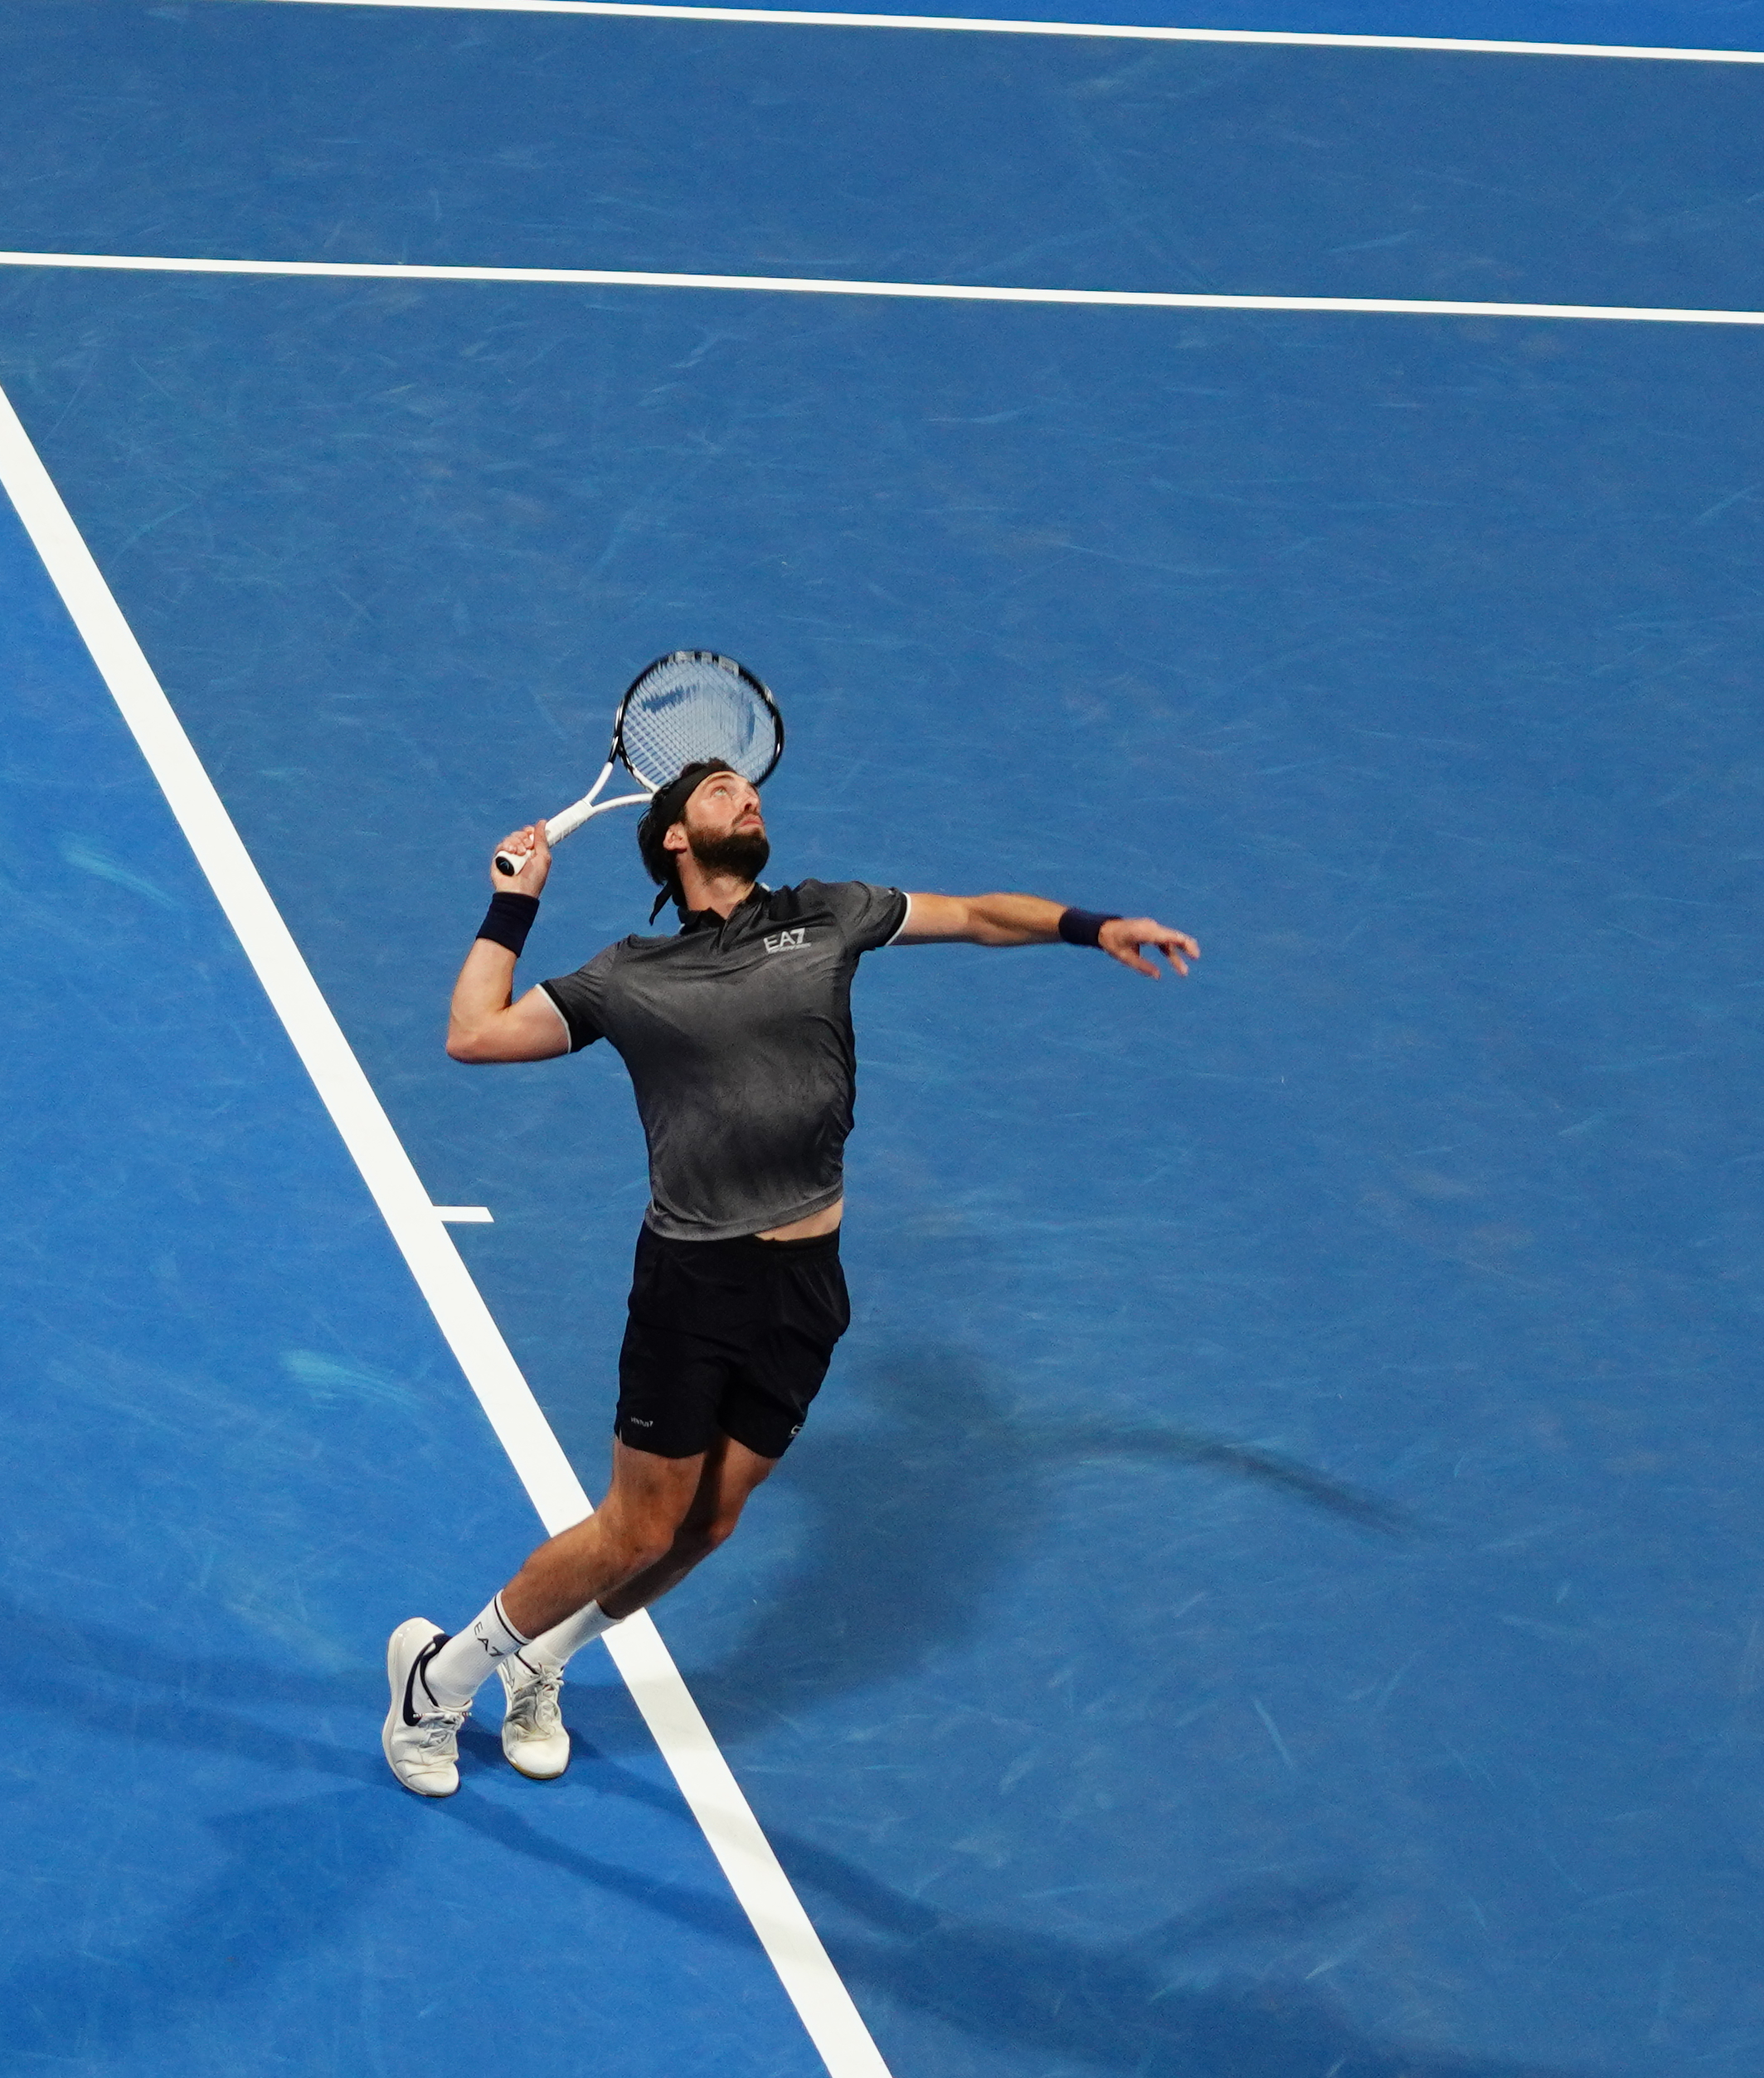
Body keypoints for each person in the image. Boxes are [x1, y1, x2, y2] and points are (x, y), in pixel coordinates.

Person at [381, 755, 1200, 1796]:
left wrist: (1094, 925)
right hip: (695, 1280)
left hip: (807, 1280)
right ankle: (435, 1680)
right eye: (719, 791)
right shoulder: (630, 975)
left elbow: (981, 916)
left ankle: (542, 1658)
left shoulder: (830, 915)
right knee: (639, 1525)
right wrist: (512, 904)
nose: (747, 798)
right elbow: (474, 1031)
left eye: (750, 789)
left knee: (711, 1523)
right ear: (674, 836)